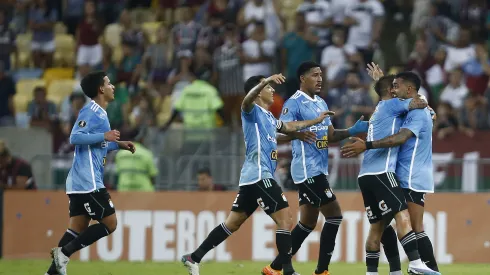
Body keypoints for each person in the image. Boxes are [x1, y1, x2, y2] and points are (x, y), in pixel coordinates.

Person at [181, 73, 333, 275]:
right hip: (260, 175)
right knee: (285, 219)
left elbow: (288, 127)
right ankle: (287, 271)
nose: (273, 91)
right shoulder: (250, 111)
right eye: (269, 88)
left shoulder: (269, 117)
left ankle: (194, 257)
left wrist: (315, 120)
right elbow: (246, 100)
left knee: (232, 223)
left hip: (252, 178)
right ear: (259, 91)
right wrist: (266, 80)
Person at [262, 61, 370, 275]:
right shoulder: (293, 104)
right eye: (314, 75)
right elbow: (277, 136)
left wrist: (351, 131)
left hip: (318, 170)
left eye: (321, 75)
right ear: (302, 78)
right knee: (335, 216)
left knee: (307, 223)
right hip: (306, 170)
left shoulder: (320, 102)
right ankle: (322, 271)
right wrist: (297, 133)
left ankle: (273, 269)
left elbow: (329, 136)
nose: (320, 79)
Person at [341, 68, 440, 275]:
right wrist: (384, 84)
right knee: (385, 223)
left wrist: (386, 86)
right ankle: (396, 270)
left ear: (409, 89)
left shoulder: (415, 111)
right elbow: (401, 101)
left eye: (397, 86)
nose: (394, 90)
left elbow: (401, 135)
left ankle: (427, 268)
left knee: (412, 225)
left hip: (410, 176)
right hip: (396, 174)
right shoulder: (397, 108)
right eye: (392, 87)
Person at [47, 71, 136, 275]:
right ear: (100, 89)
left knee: (76, 227)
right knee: (110, 223)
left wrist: (118, 144)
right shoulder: (91, 111)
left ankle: (51, 273)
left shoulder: (101, 113)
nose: (113, 86)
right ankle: (64, 253)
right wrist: (105, 134)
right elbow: (75, 137)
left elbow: (97, 145)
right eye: (109, 83)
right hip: (89, 181)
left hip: (79, 182)